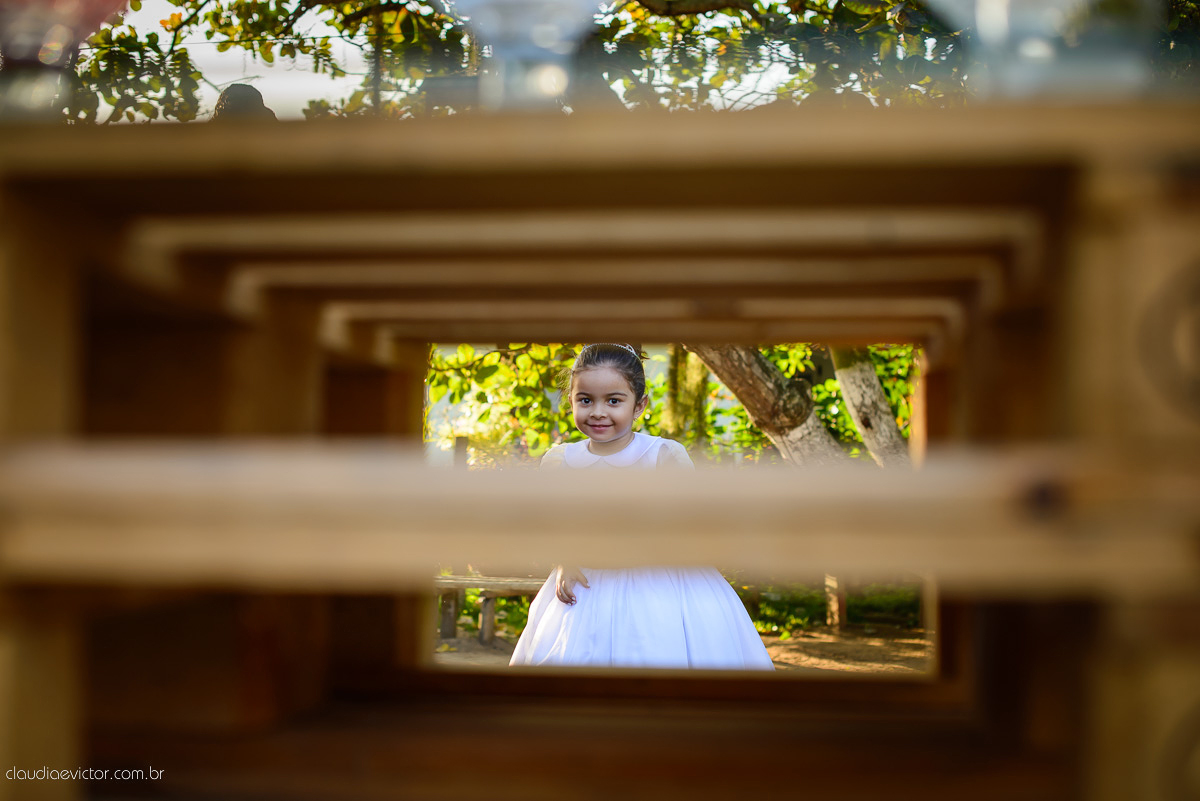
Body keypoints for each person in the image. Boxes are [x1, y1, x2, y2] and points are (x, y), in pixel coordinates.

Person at [509, 343, 774, 670]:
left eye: (614, 401)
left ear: (639, 406)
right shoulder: (561, 461)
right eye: (585, 400)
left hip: (657, 583)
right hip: (586, 586)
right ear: (571, 401)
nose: (598, 412)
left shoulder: (663, 455)